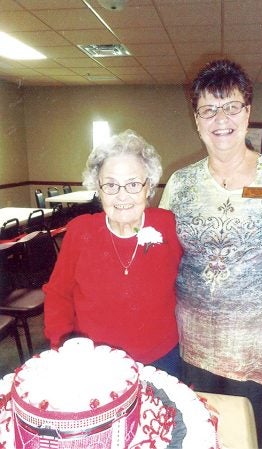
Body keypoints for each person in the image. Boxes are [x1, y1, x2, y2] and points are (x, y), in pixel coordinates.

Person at [159, 59, 262, 447]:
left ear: (247, 112)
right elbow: (161, 258)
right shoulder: (180, 184)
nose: (221, 119)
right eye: (208, 109)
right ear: (196, 120)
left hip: (255, 345)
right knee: (195, 434)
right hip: (189, 341)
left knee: (242, 437)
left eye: (231, 106)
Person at [44, 130, 182, 378]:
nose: (121, 195)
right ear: (98, 188)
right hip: (96, 362)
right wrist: (62, 346)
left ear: (148, 187)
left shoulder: (167, 225)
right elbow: (58, 294)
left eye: (132, 184)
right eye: (111, 184)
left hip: (162, 359)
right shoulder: (80, 231)